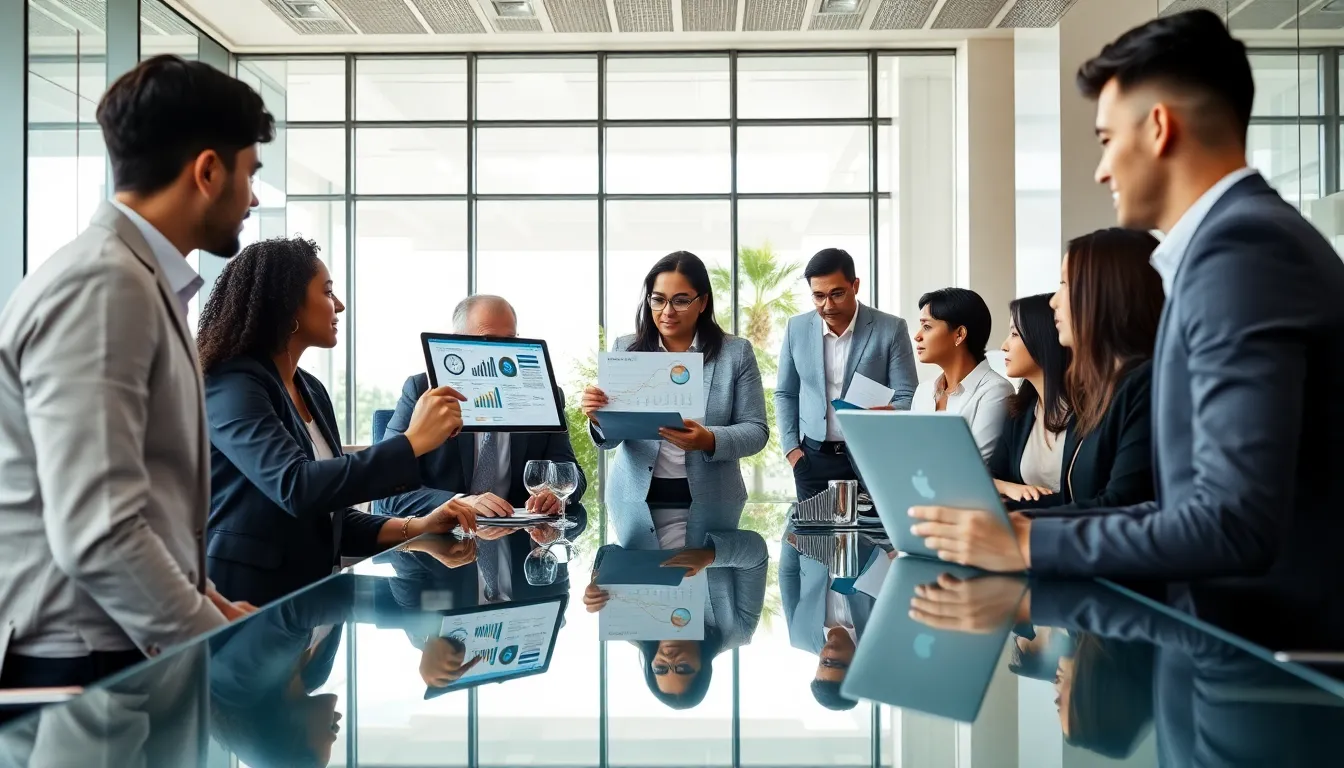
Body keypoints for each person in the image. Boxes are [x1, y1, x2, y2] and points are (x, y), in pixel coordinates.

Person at [909, 10, 1344, 625]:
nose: (1101, 168)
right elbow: (1176, 503)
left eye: (1108, 140)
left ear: (1160, 127)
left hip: (1263, 666)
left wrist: (1024, 542)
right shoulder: (1235, 247)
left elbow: (1231, 521)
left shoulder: (1242, 255)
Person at [0, 55, 272, 697]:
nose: (253, 199)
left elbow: (143, 497)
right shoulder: (105, 286)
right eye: (249, 174)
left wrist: (207, 599)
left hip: (122, 641)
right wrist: (211, 633)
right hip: (85, 663)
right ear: (208, 171)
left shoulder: (138, 280)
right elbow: (100, 529)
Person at [199, 237, 476, 607]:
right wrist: (413, 443)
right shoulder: (231, 384)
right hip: (249, 608)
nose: (339, 305)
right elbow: (296, 487)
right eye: (328, 292)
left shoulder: (310, 388)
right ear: (288, 303)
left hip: (312, 607)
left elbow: (327, 521)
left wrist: (419, 526)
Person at [375, 294, 586, 521]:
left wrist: (556, 494)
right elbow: (386, 487)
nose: (501, 353)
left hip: (517, 537)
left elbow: (572, 475)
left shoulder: (544, 395)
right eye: (488, 340)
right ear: (455, 342)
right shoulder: (421, 391)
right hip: (439, 539)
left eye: (510, 340)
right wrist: (459, 503)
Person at [581, 252, 768, 505]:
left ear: (702, 302)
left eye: (681, 301)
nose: (667, 311)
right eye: (658, 300)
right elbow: (610, 441)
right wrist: (599, 418)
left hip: (713, 497)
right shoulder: (625, 348)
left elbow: (756, 430)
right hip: (635, 497)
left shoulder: (736, 353)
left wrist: (710, 439)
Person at [1006, 230, 1162, 512]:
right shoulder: (1102, 391)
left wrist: (1014, 527)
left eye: (1065, 284)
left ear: (1107, 293)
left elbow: (1121, 507)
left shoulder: (1146, 385)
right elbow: (1077, 501)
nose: (1054, 301)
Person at [583, 502, 766, 709]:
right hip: (705, 495)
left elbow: (610, 552)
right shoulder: (738, 629)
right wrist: (710, 556)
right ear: (703, 668)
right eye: (683, 668)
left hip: (638, 498)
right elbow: (756, 554)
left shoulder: (629, 628)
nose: (669, 660)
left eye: (660, 669)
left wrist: (597, 581)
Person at [776, 248, 918, 500]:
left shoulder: (891, 328)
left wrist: (882, 413)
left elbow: (908, 396)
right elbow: (786, 393)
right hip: (811, 459)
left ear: (856, 285)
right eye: (818, 296)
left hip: (871, 457)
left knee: (873, 536)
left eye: (837, 294)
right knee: (815, 538)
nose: (827, 305)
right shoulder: (796, 328)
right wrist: (792, 451)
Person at [780, 529, 891, 711]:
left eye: (824, 662)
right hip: (865, 525)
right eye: (837, 662)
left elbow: (788, 573)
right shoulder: (880, 631)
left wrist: (796, 525)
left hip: (811, 524)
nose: (829, 654)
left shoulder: (800, 636)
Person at [910, 287, 1014, 461]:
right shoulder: (923, 391)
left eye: (927, 326)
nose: (917, 336)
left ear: (959, 334)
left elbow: (974, 466)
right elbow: (908, 455)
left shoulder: (996, 392)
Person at [989, 294, 1073, 504]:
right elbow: (989, 477)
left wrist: (1024, 500)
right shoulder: (1020, 411)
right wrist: (1012, 488)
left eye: (1014, 334)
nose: (1004, 346)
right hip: (1022, 524)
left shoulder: (1090, 411)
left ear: (1042, 338)